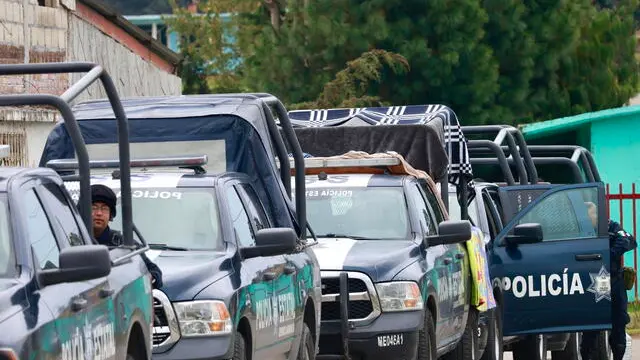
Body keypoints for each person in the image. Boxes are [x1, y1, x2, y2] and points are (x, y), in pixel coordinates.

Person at [581, 201, 637, 360]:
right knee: (592, 325)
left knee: (619, 321)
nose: (591, 218)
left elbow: (628, 241)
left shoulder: (611, 227)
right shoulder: (582, 232)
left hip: (613, 279)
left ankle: (618, 355)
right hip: (597, 281)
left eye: (592, 214)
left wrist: (607, 255)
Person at [90, 184, 163, 289]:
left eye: (105, 208)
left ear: (111, 214)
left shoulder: (123, 243)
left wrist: (147, 279)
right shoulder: (71, 241)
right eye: (94, 208)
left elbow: (153, 271)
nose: (99, 213)